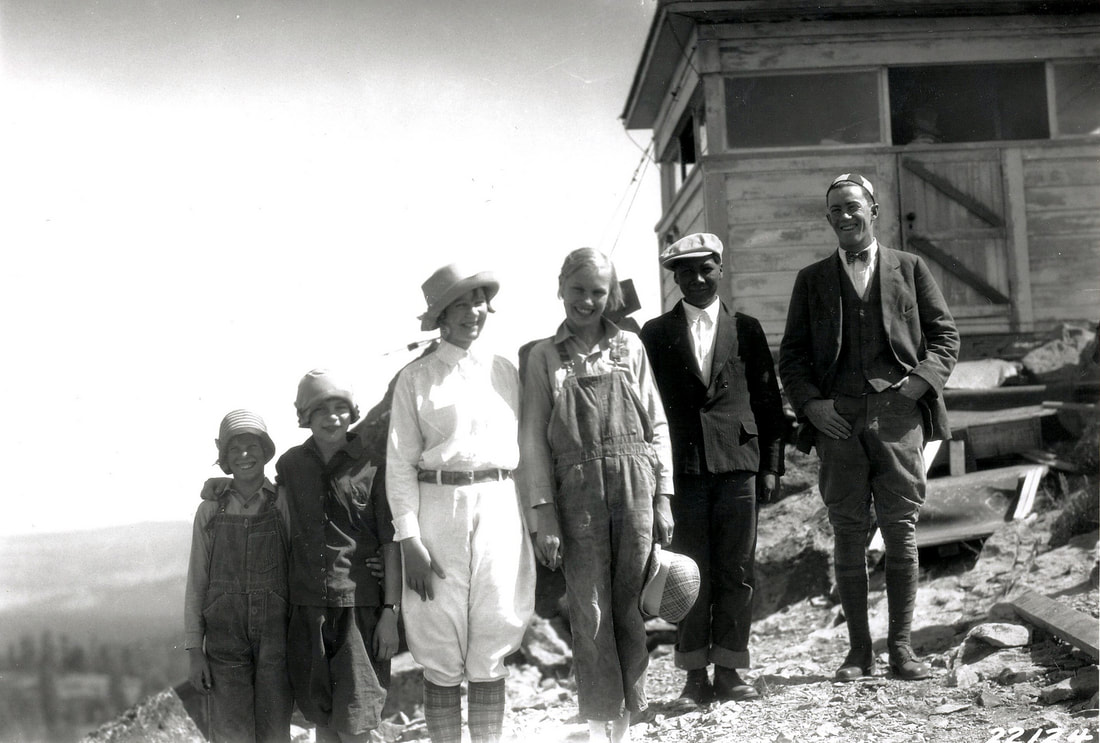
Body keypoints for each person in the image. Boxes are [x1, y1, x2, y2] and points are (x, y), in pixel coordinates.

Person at [778, 173, 959, 682]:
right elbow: (791, 357)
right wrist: (812, 406)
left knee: (901, 530)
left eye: (853, 206)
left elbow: (945, 337)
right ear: (828, 218)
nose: (845, 216)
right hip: (837, 423)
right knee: (848, 531)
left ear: (873, 210)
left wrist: (917, 386)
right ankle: (859, 652)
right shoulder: (811, 279)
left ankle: (901, 649)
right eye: (835, 209)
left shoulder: (910, 268)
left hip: (898, 415)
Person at [521, 248, 675, 743]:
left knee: (631, 605)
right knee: (589, 610)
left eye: (598, 292)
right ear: (560, 288)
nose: (587, 301)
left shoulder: (630, 345)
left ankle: (627, 723)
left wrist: (664, 495)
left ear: (610, 296)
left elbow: (656, 424)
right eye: (578, 290)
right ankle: (595, 722)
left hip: (635, 488)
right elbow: (533, 441)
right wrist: (543, 513)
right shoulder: (543, 356)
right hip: (577, 495)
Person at [386, 264, 535, 743]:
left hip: (499, 503)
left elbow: (529, 450)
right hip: (438, 508)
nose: (473, 312)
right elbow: (400, 464)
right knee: (439, 635)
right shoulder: (416, 378)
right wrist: (409, 538)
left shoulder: (504, 371)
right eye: (460, 304)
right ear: (441, 316)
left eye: (479, 302)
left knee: (494, 624)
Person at [639, 233, 786, 706]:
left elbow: (768, 401)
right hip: (683, 471)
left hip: (738, 465)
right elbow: (647, 409)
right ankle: (693, 676)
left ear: (721, 269)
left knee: (736, 570)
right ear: (675, 278)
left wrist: (771, 466)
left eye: (706, 269)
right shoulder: (654, 334)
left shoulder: (747, 329)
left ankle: (730, 669)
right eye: (686, 272)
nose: (697, 279)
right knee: (687, 573)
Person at [278, 369, 402, 742]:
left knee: (356, 717)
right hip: (308, 608)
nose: (331, 417)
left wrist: (390, 612)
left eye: (339, 408)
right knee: (322, 717)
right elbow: (274, 513)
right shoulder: (290, 465)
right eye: (320, 410)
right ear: (305, 416)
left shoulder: (374, 465)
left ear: (352, 412)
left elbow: (390, 541)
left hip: (359, 609)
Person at [185, 409, 293, 743]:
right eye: (235, 449)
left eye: (252, 446)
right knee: (232, 733)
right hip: (224, 638)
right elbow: (197, 582)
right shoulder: (209, 510)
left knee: (275, 731)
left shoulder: (282, 502)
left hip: (276, 636)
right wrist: (194, 649)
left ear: (266, 451)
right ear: (225, 458)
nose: (244, 455)